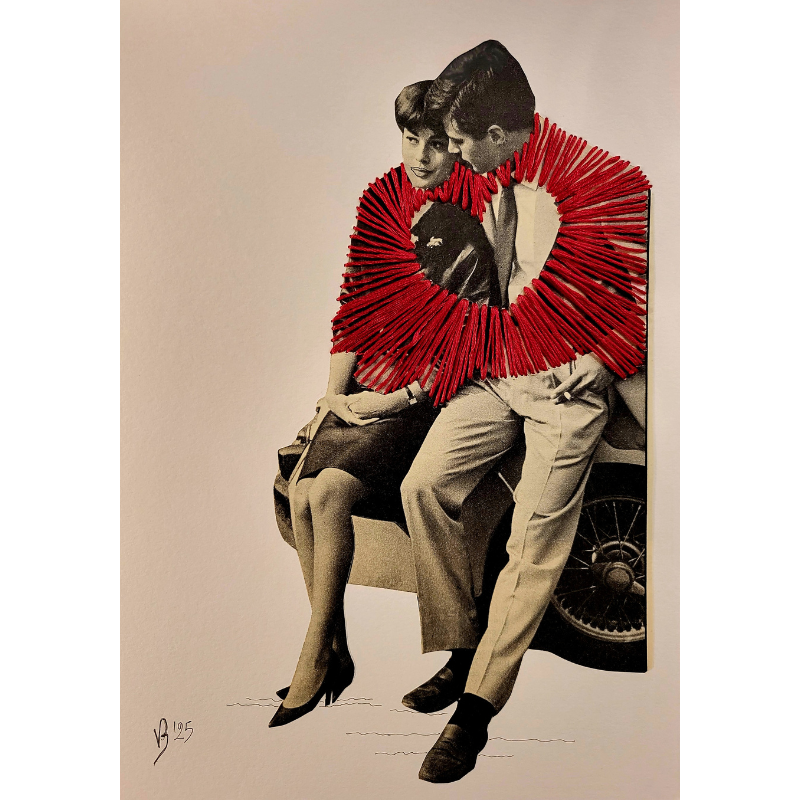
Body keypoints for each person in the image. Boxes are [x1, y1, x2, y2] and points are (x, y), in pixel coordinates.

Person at [398, 41, 643, 782]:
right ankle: (464, 650)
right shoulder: (498, 173)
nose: (451, 154)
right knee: (422, 487)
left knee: (531, 546)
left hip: (569, 390)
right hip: (504, 375)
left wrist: (606, 358)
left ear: (500, 133)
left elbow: (660, 290)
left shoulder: (602, 182)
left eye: (459, 141)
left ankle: (474, 714)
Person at [268, 80, 500, 728]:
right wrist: (335, 397)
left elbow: (466, 342)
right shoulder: (381, 203)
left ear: (457, 146)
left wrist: (388, 402)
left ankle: (314, 655)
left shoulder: (473, 220)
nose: (422, 155)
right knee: (303, 492)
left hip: (422, 397)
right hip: (366, 388)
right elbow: (353, 307)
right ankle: (335, 650)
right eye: (410, 138)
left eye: (437, 143)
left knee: (329, 492)